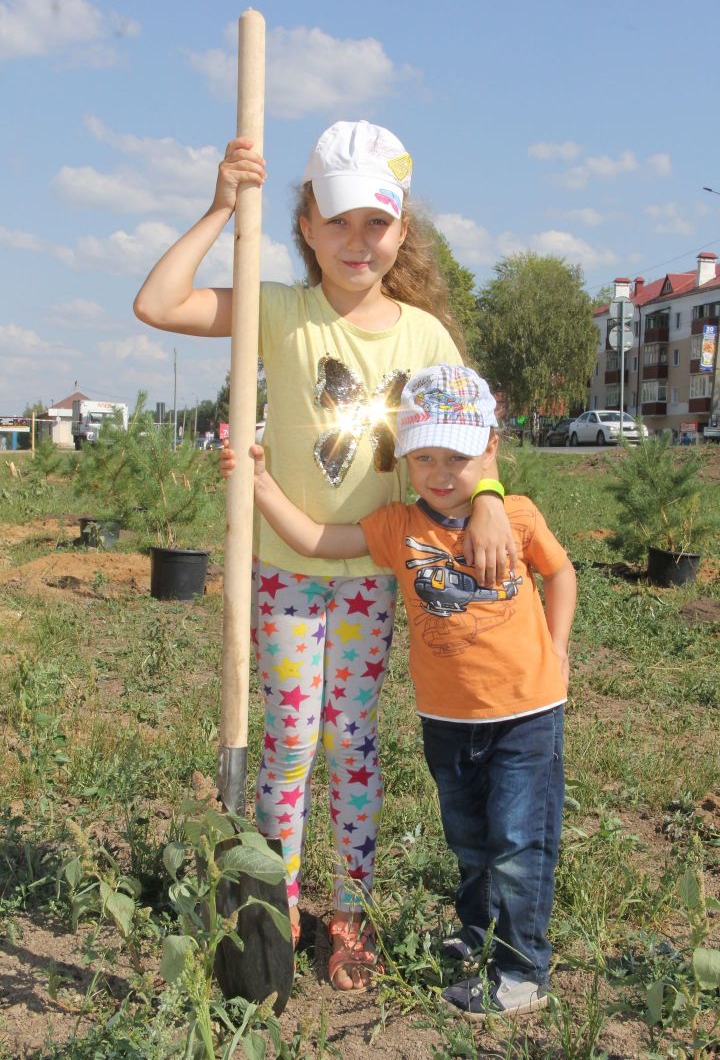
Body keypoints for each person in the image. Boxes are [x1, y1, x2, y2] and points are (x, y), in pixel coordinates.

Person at [134, 120, 516, 992]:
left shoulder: (423, 337)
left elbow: (478, 437)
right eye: (337, 222)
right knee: (291, 745)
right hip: (285, 574)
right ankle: (277, 906)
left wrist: (488, 500)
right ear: (305, 225)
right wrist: (219, 205)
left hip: (375, 579)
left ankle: (348, 912)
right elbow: (158, 304)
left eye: (374, 224)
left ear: (400, 231)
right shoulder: (278, 313)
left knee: (352, 742)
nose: (356, 241)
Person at [223, 363, 577, 1017]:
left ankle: (523, 969)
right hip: (447, 721)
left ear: (491, 450)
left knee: (518, 846)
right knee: (472, 842)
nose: (441, 474)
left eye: (458, 457)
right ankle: (476, 937)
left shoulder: (518, 517)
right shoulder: (397, 527)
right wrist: (261, 483)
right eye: (424, 459)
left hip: (527, 716)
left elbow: (561, 574)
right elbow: (317, 540)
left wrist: (556, 650)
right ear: (406, 459)